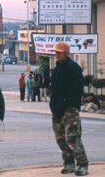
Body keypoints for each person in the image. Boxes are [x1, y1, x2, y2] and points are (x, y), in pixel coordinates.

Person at [50, 42, 89, 176]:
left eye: (59, 53)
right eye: (56, 53)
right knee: (60, 138)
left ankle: (82, 164)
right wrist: (53, 105)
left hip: (69, 109)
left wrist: (69, 103)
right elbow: (53, 89)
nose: (56, 55)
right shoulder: (56, 69)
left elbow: (77, 89)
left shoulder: (73, 68)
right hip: (57, 109)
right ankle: (69, 163)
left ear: (65, 54)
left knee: (72, 137)